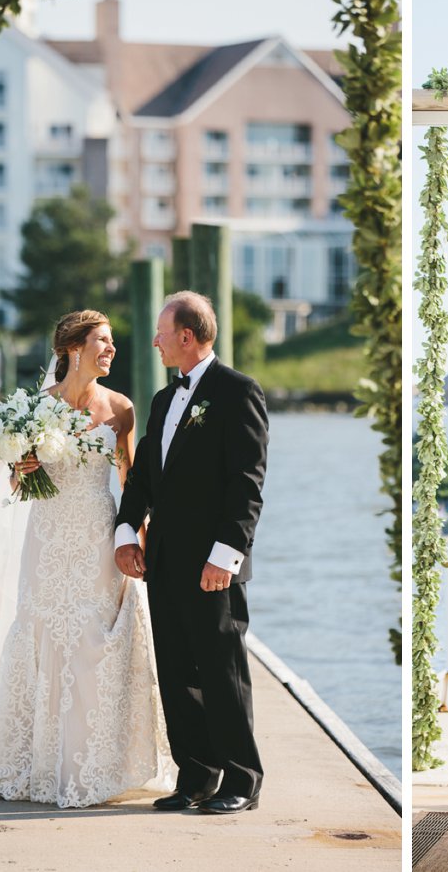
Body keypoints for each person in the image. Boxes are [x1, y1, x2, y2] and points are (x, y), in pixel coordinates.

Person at [0, 310, 171, 808]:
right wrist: (21, 469)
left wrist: (137, 535)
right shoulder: (33, 408)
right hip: (47, 539)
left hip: (98, 536)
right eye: (102, 341)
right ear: (72, 348)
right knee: (46, 634)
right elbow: (17, 484)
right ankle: (45, 764)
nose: (111, 350)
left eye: (112, 342)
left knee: (96, 639)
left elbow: (130, 478)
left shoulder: (122, 408)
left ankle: (100, 764)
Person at [114, 291, 269, 815]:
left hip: (214, 565)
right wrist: (125, 531)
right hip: (162, 560)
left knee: (223, 672)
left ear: (186, 335)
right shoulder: (162, 399)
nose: (154, 341)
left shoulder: (238, 392)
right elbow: (142, 479)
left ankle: (242, 780)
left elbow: (246, 484)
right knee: (177, 671)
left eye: (162, 332)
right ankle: (197, 776)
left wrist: (224, 558)